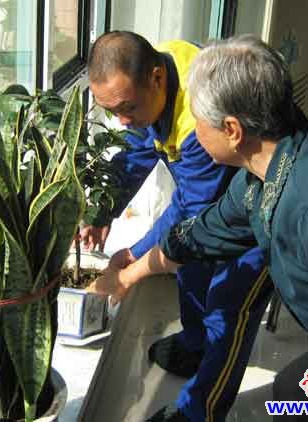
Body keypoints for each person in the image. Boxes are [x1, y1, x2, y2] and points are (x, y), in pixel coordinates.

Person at [88, 34, 308, 421]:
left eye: (197, 117)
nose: (188, 127)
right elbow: (201, 233)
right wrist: (129, 272)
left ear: (232, 130)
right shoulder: (259, 178)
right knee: (290, 392)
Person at [85, 31, 272, 422]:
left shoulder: (199, 123)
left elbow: (189, 213)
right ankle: (193, 343)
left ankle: (197, 412)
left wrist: (133, 256)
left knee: (228, 309)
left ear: (156, 79)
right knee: (190, 267)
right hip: (218, 201)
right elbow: (137, 150)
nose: (122, 120)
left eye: (127, 108)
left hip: (262, 207)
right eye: (111, 111)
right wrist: (102, 212)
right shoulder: (157, 70)